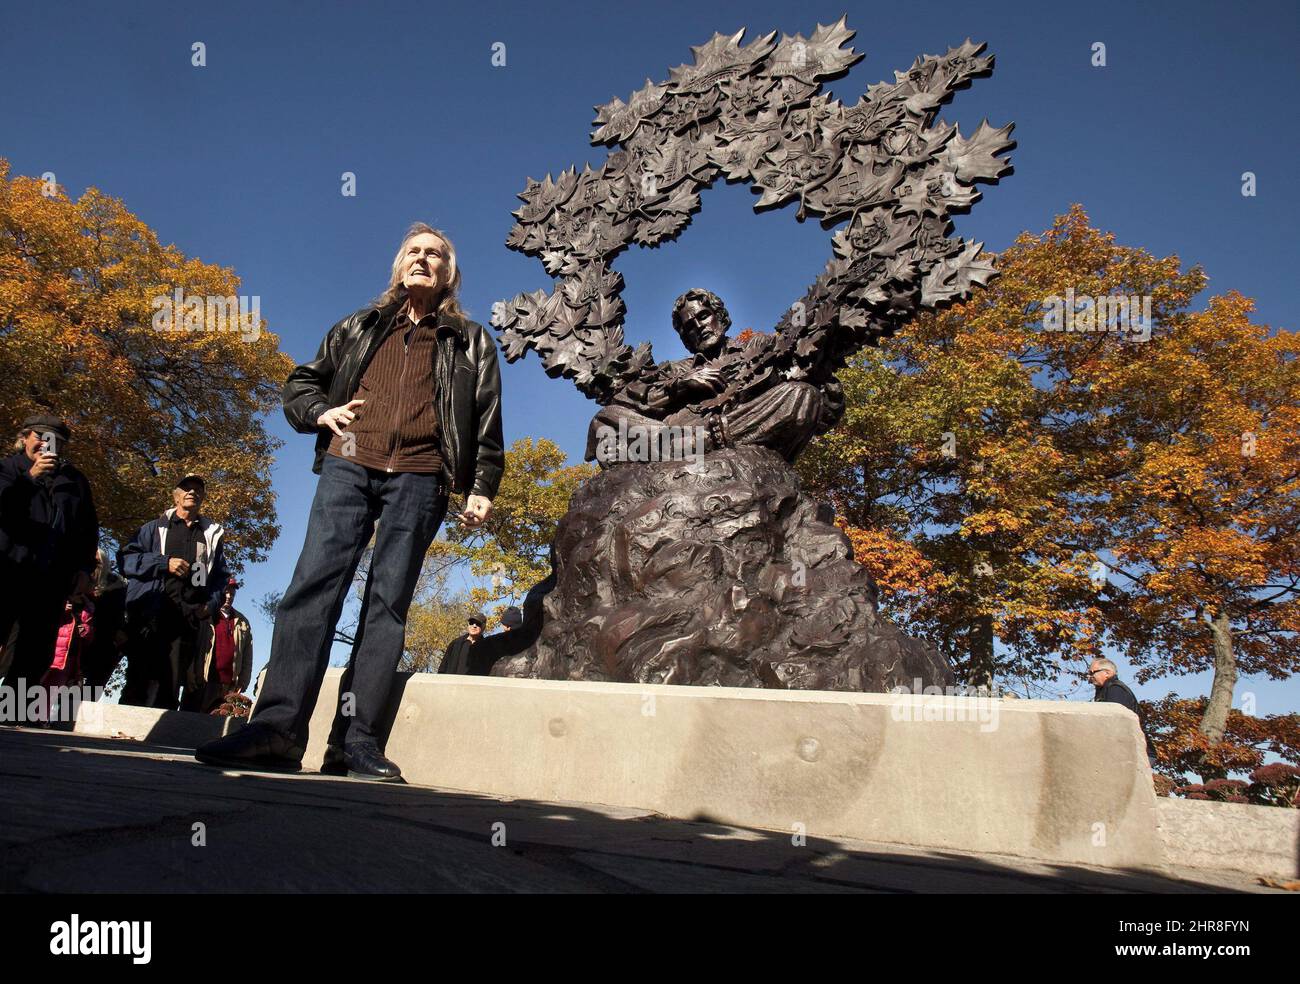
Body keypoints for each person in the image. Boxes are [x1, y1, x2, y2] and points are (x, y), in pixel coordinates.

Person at [197, 222, 504, 781]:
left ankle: (356, 742)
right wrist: (320, 413)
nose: (423, 259)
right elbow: (300, 383)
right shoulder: (359, 326)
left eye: (435, 254)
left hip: (422, 475)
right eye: (413, 251)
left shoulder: (471, 340)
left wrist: (482, 485)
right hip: (349, 463)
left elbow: (486, 419)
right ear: (398, 265)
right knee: (311, 588)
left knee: (387, 605)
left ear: (448, 273)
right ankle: (276, 730)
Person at [585, 288, 844, 466]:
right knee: (606, 419)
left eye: (703, 315)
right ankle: (688, 447)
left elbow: (816, 402)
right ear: (686, 338)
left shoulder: (759, 346)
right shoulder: (676, 369)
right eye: (689, 326)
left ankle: (701, 445)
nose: (698, 326)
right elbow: (628, 398)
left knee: (802, 395)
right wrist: (681, 386)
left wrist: (823, 379)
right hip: (675, 433)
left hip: (735, 424)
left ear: (720, 317)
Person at [0, 414, 99, 721]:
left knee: (35, 651)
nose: (46, 445)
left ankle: (13, 718)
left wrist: (84, 569)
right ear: (25, 437)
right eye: (41, 437)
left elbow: (87, 529)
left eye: (56, 441)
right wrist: (30, 478)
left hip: (50, 578)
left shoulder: (74, 480)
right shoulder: (8, 469)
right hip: (8, 569)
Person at [118, 474, 229, 710]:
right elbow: (127, 560)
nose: (192, 492)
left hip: (186, 619)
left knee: (170, 685)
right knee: (139, 678)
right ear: (175, 496)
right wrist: (163, 562)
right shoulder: (153, 529)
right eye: (186, 488)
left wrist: (210, 604)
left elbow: (220, 577)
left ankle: (156, 741)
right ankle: (122, 737)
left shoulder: (209, 536)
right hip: (151, 614)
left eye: (198, 489)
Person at [183, 578, 253, 713]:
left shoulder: (243, 621)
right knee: (191, 724)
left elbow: (247, 655)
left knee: (220, 728)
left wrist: (243, 682)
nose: (228, 596)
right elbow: (191, 646)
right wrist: (189, 672)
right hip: (202, 682)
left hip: (228, 687)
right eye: (226, 592)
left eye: (232, 594)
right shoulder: (204, 614)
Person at [1087, 658, 1158, 767]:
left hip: (1138, 754)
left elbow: (1116, 723)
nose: (1089, 676)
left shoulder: (1115, 689)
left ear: (1107, 673)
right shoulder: (1106, 690)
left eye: (1092, 672)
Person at [81, 549, 128, 692]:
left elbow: (116, 618)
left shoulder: (117, 589)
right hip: (79, 644)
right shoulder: (78, 585)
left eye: (98, 563)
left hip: (105, 647)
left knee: (90, 692)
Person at [438, 611, 488, 675]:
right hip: (453, 683)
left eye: (478, 624)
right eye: (471, 623)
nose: (474, 626)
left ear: (483, 627)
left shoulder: (487, 648)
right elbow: (442, 668)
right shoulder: (455, 644)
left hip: (475, 684)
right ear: (468, 625)